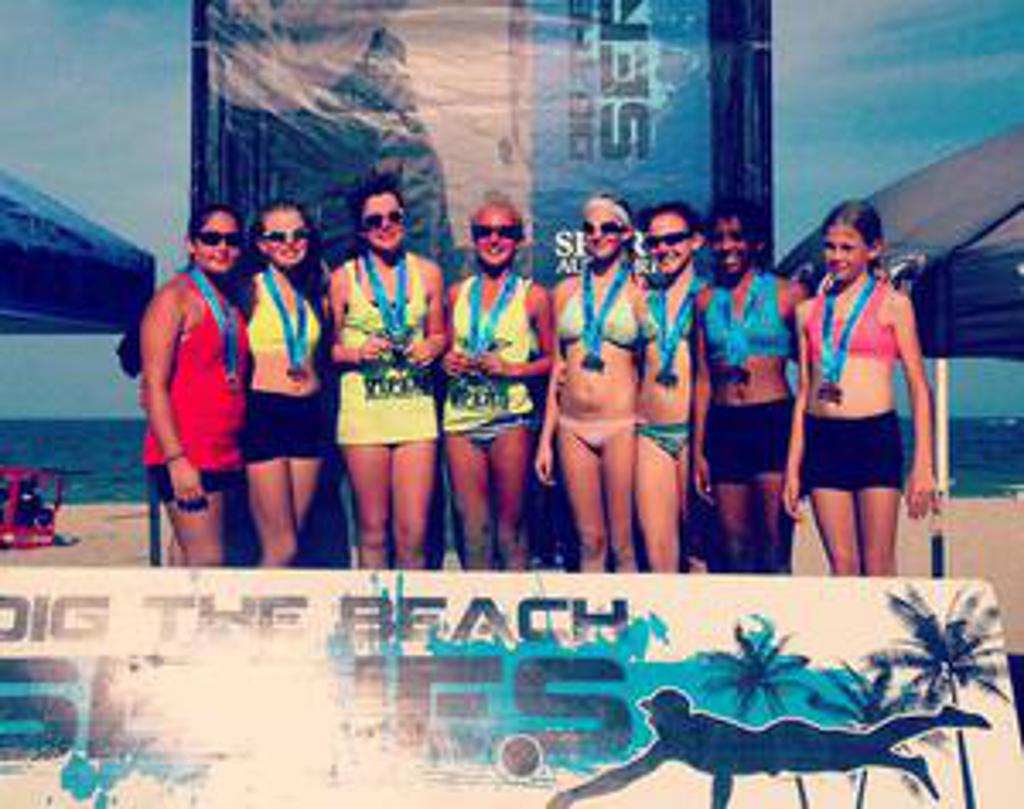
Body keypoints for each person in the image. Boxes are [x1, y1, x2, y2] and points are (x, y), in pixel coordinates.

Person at [784, 201, 936, 575]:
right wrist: (792, 467)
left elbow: (919, 386)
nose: (836, 257)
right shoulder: (807, 311)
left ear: (874, 249)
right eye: (830, 247)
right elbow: (803, 391)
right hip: (823, 438)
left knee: (878, 565)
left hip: (874, 438)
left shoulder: (895, 305)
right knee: (842, 565)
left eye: (847, 247)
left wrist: (923, 464)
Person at [547, 687, 989, 809]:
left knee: (867, 746)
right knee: (864, 751)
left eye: (654, 713)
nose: (649, 719)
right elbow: (625, 775)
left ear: (672, 714)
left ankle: (939, 720)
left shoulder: (701, 731)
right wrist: (574, 796)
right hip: (782, 755)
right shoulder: (670, 746)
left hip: (788, 744)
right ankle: (911, 758)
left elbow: (723, 775)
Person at [330, 173, 446, 569]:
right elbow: (328, 352)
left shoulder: (427, 273)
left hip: (415, 412)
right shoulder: (343, 279)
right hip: (364, 415)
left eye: (393, 217)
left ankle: (409, 611)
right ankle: (372, 609)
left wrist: (432, 347)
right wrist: (358, 353)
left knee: (413, 533)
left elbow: (440, 335)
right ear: (361, 230)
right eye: (374, 221)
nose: (386, 226)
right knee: (373, 531)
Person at [692, 199, 806, 573]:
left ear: (755, 242)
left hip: (771, 421)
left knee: (774, 544)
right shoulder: (705, 301)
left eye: (736, 237)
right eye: (719, 238)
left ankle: (780, 613)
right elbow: (703, 379)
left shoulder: (790, 295)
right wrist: (699, 451)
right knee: (734, 546)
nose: (727, 246)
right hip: (725, 424)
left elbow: (811, 374)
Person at [442, 197, 554, 570]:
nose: (494, 240)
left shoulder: (533, 297)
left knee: (512, 530)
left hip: (510, 420)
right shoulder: (456, 294)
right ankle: (480, 605)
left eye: (504, 232)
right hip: (461, 421)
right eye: (484, 232)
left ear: (519, 240)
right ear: (473, 239)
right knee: (474, 530)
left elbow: (553, 362)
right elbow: (444, 351)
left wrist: (512, 370)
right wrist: (447, 362)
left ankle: (516, 603)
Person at [535, 194, 642, 572]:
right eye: (589, 229)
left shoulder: (639, 293)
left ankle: (633, 613)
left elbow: (652, 366)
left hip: (621, 426)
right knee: (589, 542)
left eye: (608, 228)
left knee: (623, 544)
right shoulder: (564, 291)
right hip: (572, 428)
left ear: (626, 233)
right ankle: (592, 613)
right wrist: (546, 440)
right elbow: (558, 368)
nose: (598, 235)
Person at [141, 204, 251, 566]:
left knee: (187, 560)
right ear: (191, 243)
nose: (222, 248)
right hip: (188, 452)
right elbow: (153, 386)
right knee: (208, 563)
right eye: (211, 238)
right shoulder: (173, 298)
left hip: (223, 450)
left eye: (231, 240)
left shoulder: (230, 301)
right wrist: (176, 460)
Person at [243, 201, 328, 566]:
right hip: (266, 414)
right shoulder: (246, 290)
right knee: (281, 547)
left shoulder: (315, 291)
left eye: (298, 234)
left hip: (308, 415)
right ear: (261, 244)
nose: (289, 243)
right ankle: (252, 605)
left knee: (296, 542)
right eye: (277, 236)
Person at [634, 202, 705, 572]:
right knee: (658, 553)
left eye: (673, 239)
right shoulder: (644, 300)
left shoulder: (710, 297)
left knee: (699, 554)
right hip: (650, 434)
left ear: (696, 241)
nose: (663, 249)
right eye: (655, 242)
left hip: (694, 433)